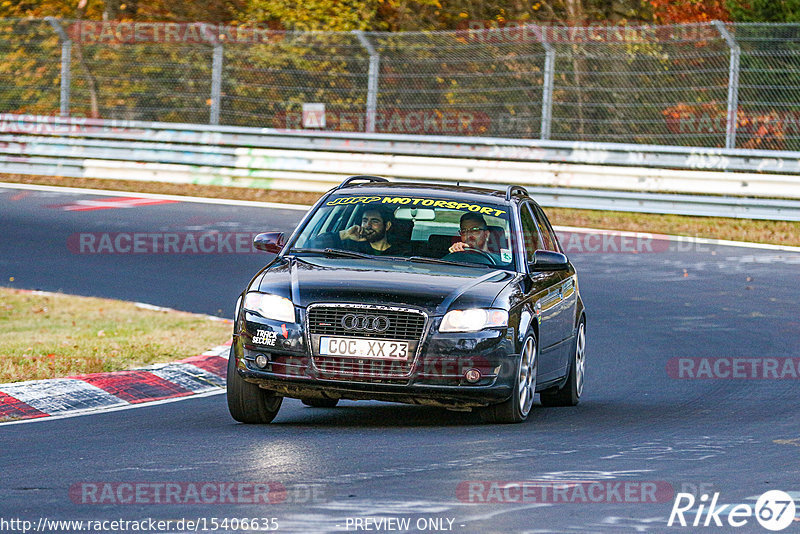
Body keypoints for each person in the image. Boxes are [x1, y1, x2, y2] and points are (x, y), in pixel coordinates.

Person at [334, 206, 407, 256]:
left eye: (374, 221)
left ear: (387, 225)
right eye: (365, 221)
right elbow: (322, 245)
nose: (368, 225)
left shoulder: (402, 253)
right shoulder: (350, 248)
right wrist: (345, 234)